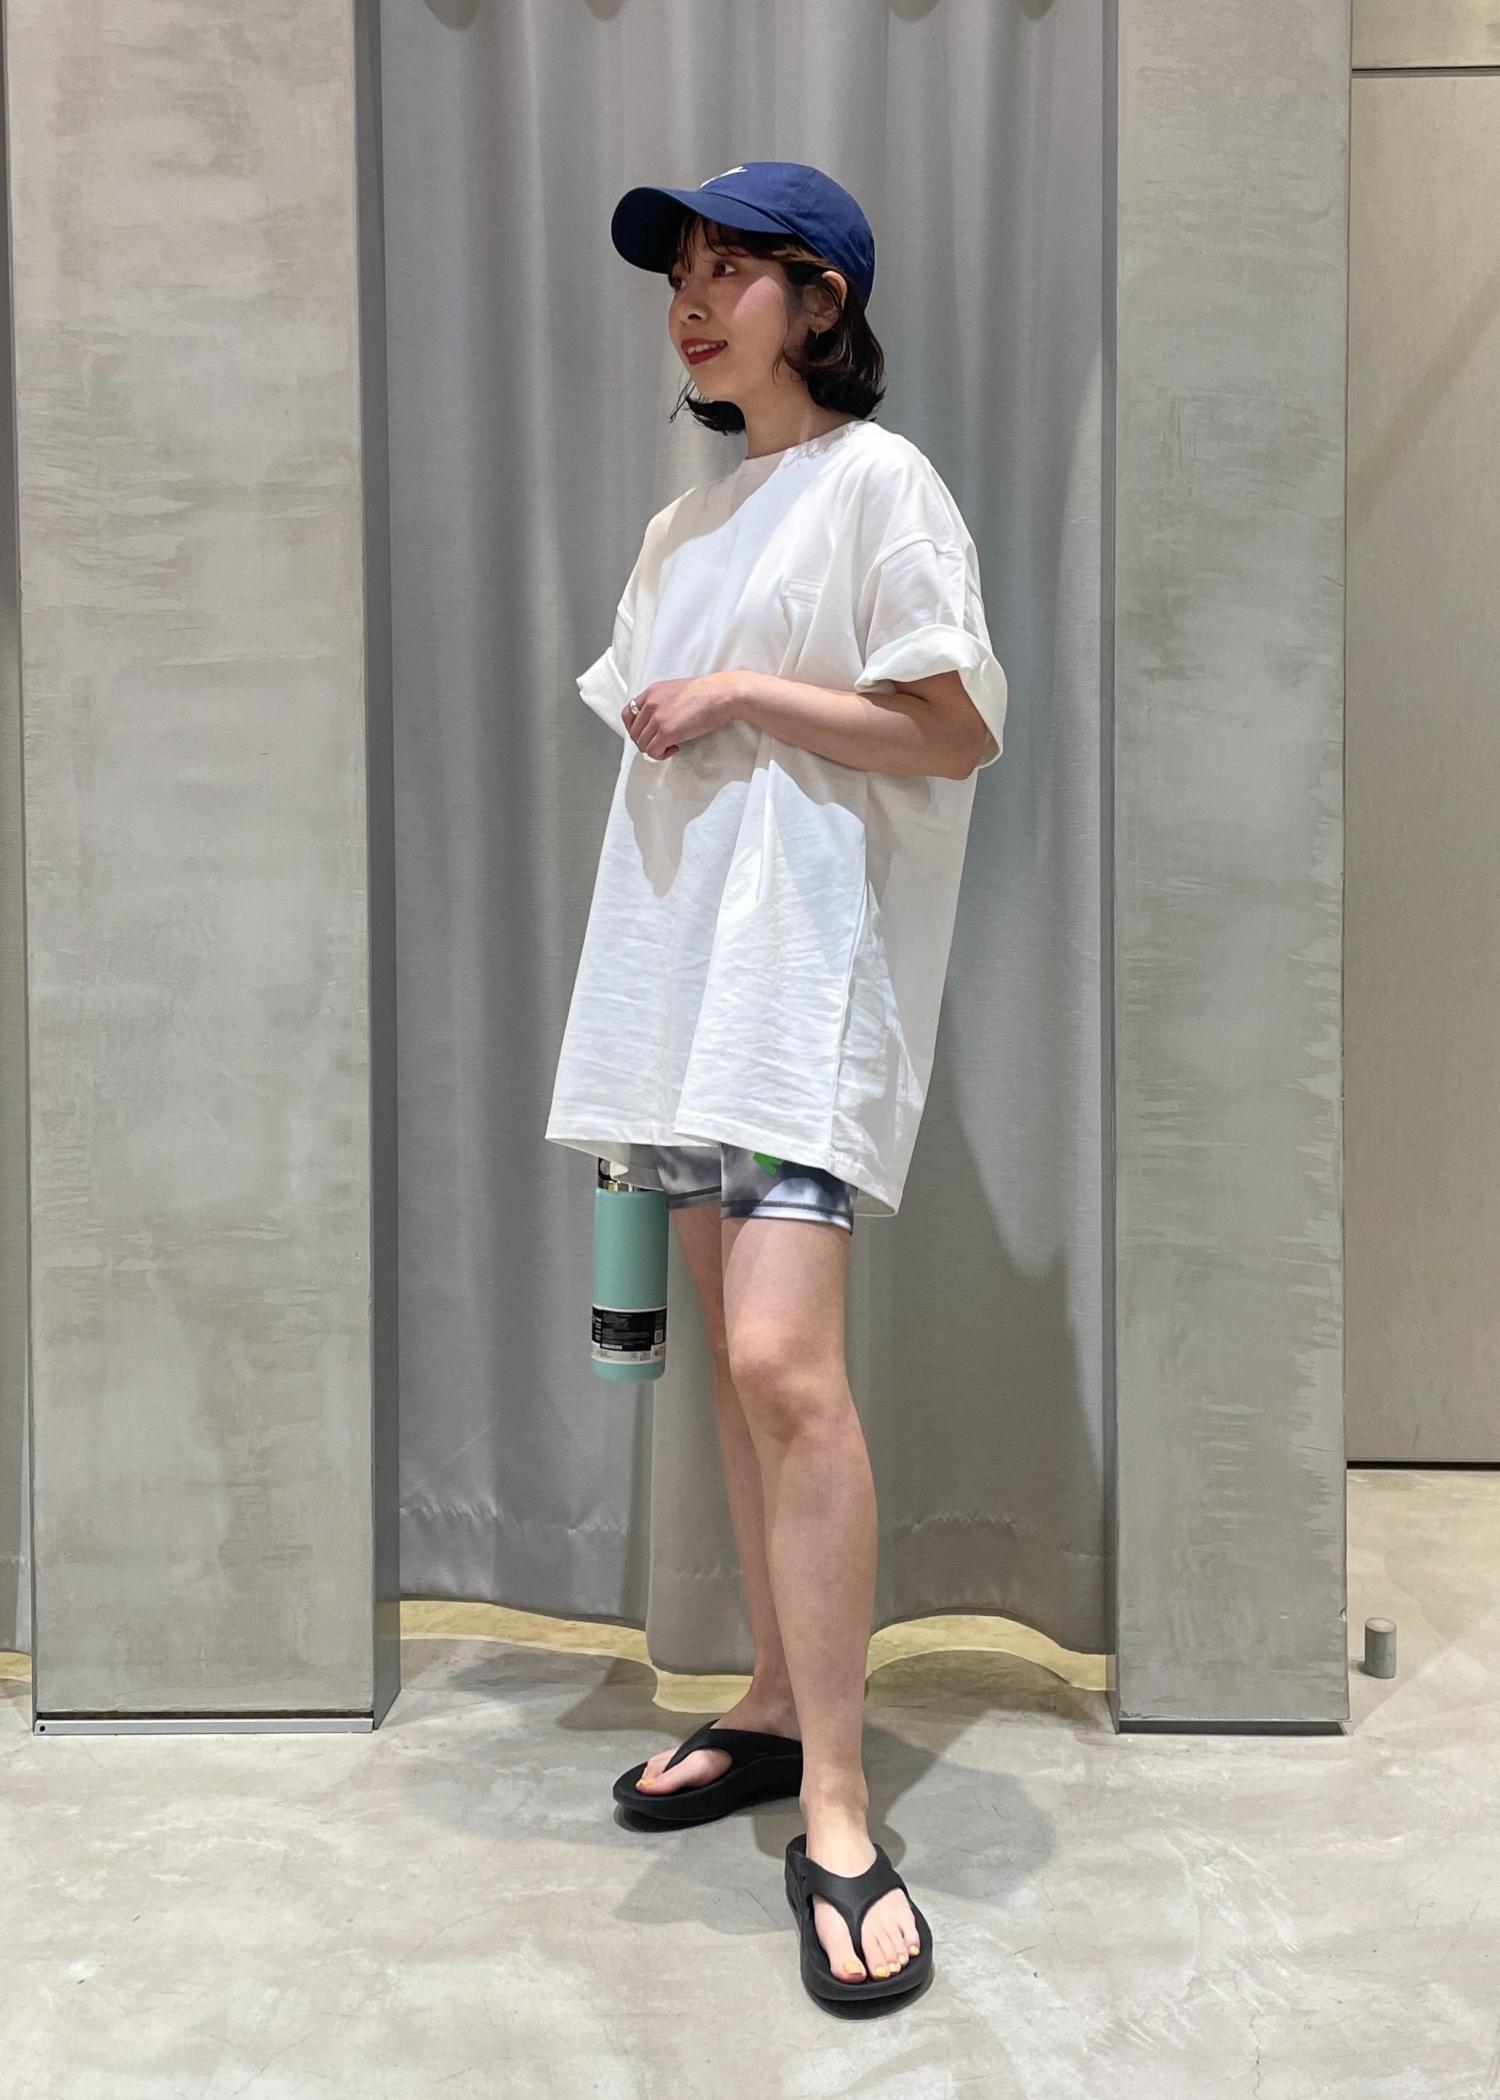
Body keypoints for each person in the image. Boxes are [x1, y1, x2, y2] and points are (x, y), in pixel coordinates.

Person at [544, 162, 1008, 2011]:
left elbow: (954, 727)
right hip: (684, 996)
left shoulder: (882, 486)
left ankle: (835, 1800)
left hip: (803, 994)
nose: (690, 297)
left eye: (732, 267)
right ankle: (762, 1700)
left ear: (822, 301)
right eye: (679, 270)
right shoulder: (687, 525)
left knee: (781, 1371)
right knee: (735, 1396)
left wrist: (742, 691)